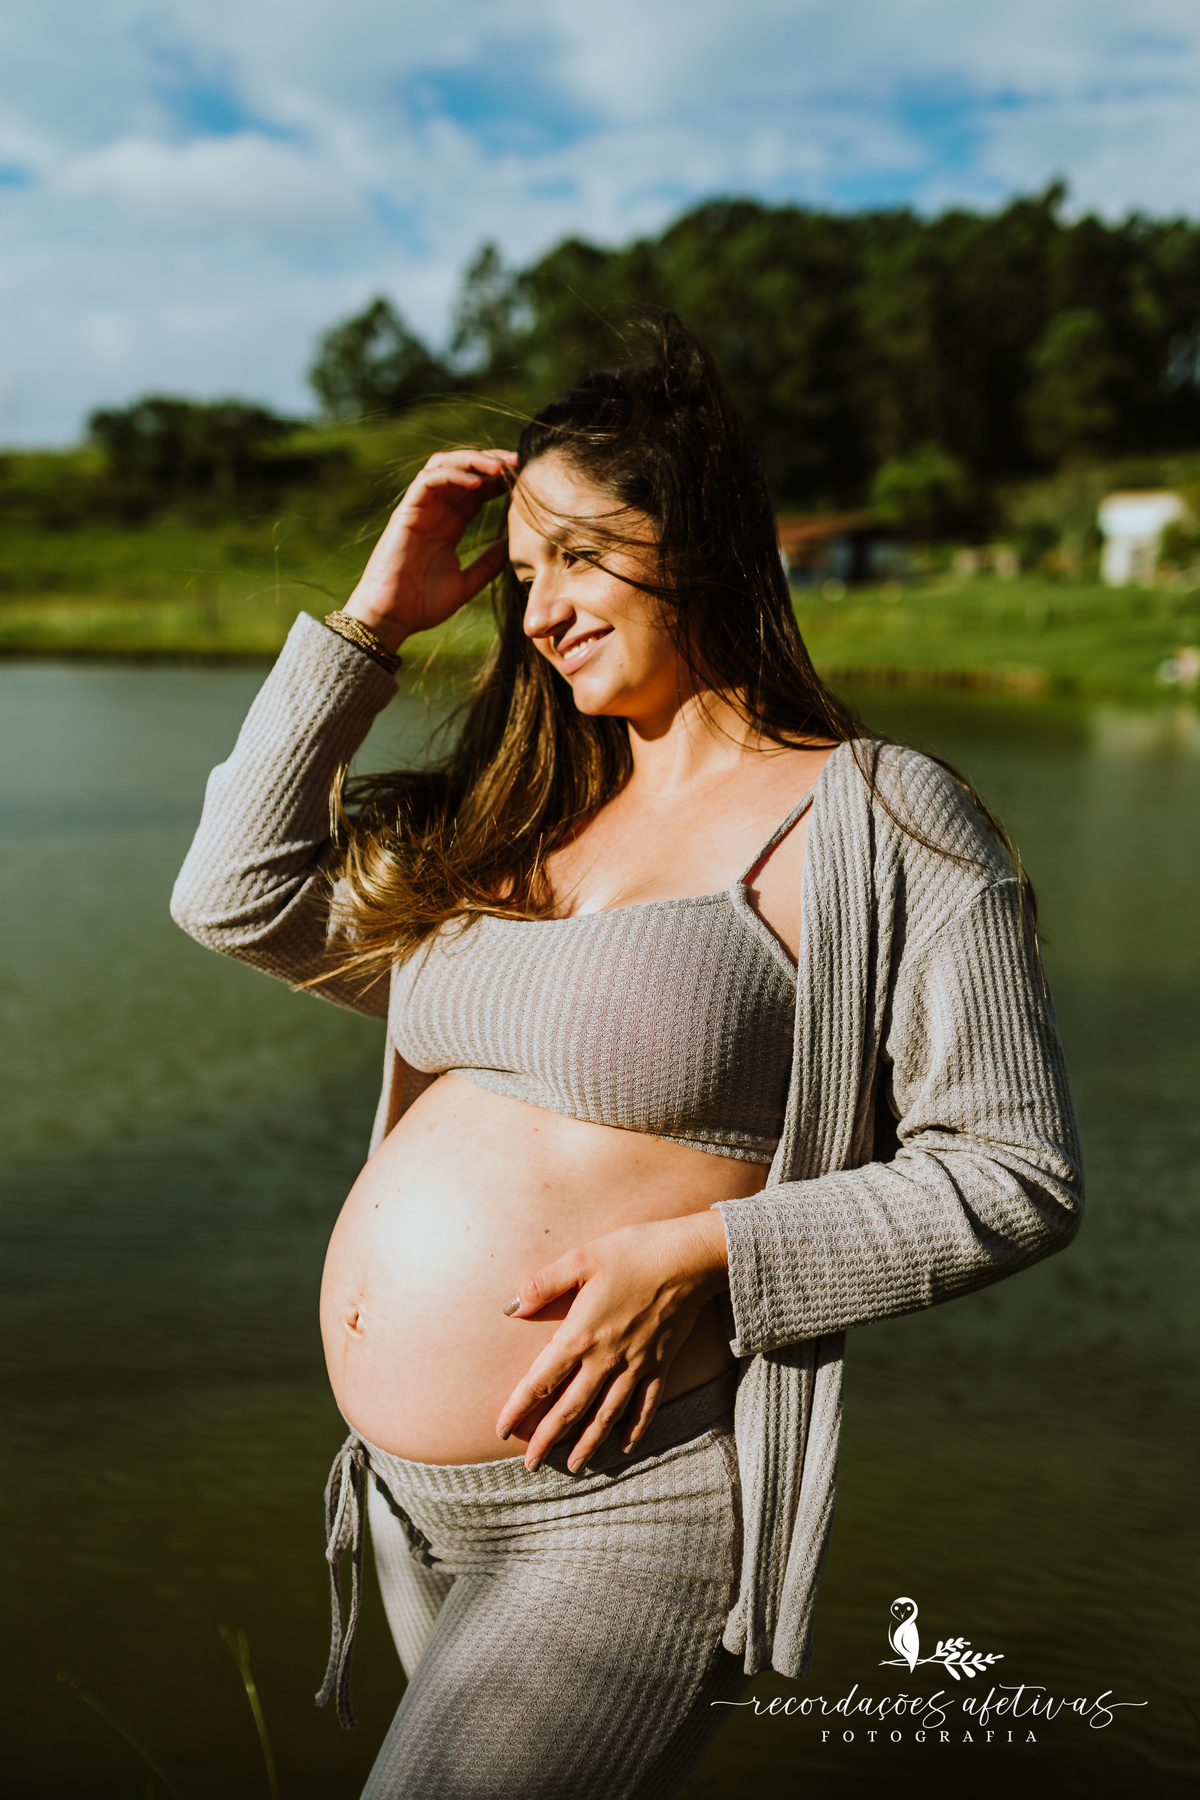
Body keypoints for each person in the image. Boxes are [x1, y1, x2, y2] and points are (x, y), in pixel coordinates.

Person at [171, 316, 1083, 1800]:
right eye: (522, 575)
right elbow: (233, 896)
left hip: (628, 1508)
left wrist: (710, 1256)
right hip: (414, 1508)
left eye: (582, 556)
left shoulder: (878, 817)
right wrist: (371, 623)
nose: (540, 611)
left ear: (706, 543)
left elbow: (1015, 1173)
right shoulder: (511, 820)